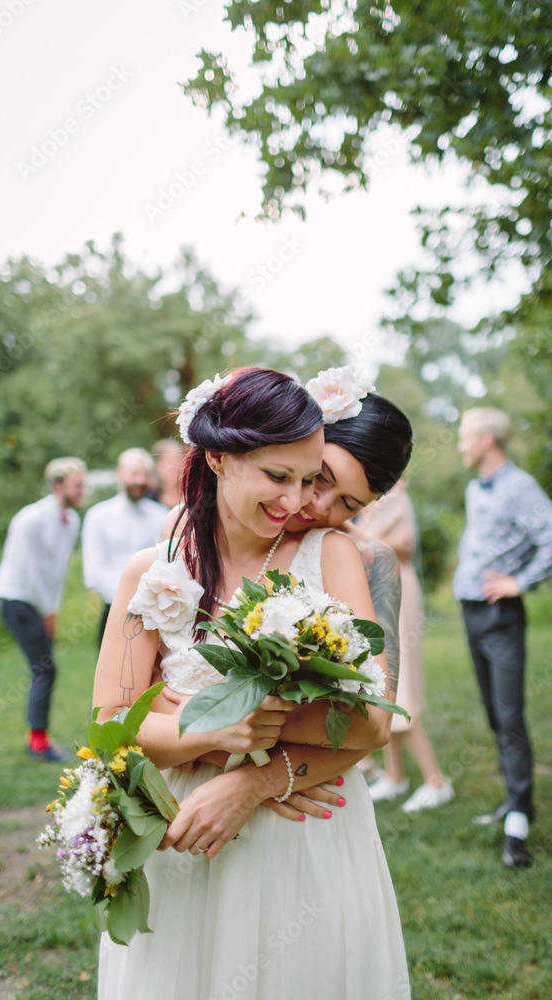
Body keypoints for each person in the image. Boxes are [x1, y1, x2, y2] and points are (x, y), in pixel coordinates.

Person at [93, 367, 411, 1000]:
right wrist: (205, 736)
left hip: (303, 829)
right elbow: (113, 721)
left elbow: (375, 719)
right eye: (301, 478)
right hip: (186, 824)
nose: (305, 504)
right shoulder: (162, 565)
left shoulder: (347, 558)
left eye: (333, 495)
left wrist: (253, 764)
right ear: (219, 456)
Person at [453, 407, 552, 869]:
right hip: (471, 612)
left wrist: (520, 582)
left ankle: (519, 824)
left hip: (501, 614)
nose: (461, 445)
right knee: (492, 715)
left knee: (510, 718)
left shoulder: (519, 486)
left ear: (486, 440)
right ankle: (514, 798)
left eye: (465, 437)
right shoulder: (473, 487)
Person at [355, 482, 454, 812]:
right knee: (380, 681)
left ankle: (436, 781)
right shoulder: (369, 500)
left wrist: (355, 541)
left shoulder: (395, 496)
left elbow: (407, 545)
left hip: (397, 588)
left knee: (400, 686)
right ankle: (395, 775)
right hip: (376, 587)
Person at [0, 457, 87, 761]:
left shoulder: (72, 521)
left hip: (41, 603)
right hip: (17, 598)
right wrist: (46, 609)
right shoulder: (30, 520)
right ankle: (38, 742)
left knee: (44, 667)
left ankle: (36, 736)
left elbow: (56, 571)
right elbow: (29, 572)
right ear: (57, 485)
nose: (82, 491)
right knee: (45, 668)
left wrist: (54, 610)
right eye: (76, 485)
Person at [82, 447, 167, 644]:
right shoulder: (98, 515)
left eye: (145, 474)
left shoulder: (160, 515)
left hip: (155, 612)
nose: (140, 480)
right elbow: (93, 572)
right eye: (134, 474)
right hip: (113, 607)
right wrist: (127, 602)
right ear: (119, 474)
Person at [150, 437, 186, 508]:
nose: (176, 466)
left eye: (179, 459)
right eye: (170, 462)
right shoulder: (149, 500)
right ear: (158, 466)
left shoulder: (197, 496)